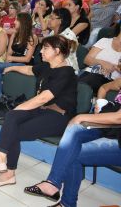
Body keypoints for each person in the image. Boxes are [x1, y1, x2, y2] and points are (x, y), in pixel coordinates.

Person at [0, 35, 77, 187]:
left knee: (13, 124)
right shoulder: (48, 66)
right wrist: (11, 67)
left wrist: (20, 107)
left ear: (57, 51)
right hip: (42, 110)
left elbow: (43, 98)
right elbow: (30, 69)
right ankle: (2, 161)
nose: (41, 51)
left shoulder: (66, 72)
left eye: (45, 48)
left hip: (59, 116)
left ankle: (6, 170)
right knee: (13, 118)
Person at [24, 79, 121, 207]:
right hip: (109, 128)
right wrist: (100, 104)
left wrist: (81, 116)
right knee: (73, 131)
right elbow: (103, 87)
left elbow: (118, 117)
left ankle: (65, 201)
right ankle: (53, 183)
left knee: (73, 153)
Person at [0, 13, 38, 96]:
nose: (14, 21)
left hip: (25, 64)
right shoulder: (14, 35)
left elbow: (27, 59)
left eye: (17, 20)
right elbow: (9, 53)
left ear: (23, 22)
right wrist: (8, 61)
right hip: (13, 61)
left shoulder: (32, 37)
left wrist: (11, 58)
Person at [79, 24, 121, 94]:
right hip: (90, 73)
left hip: (110, 82)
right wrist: (103, 63)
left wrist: (117, 68)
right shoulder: (105, 41)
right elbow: (87, 60)